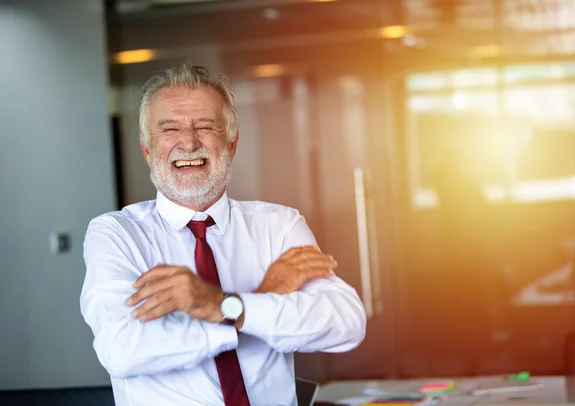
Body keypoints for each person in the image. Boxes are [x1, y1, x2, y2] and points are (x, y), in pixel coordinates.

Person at [80, 64, 367, 406]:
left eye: (205, 126)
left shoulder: (279, 225)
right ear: (147, 150)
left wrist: (221, 305)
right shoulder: (116, 234)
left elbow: (345, 322)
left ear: (231, 144)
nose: (188, 142)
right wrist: (258, 300)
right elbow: (123, 349)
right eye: (170, 128)